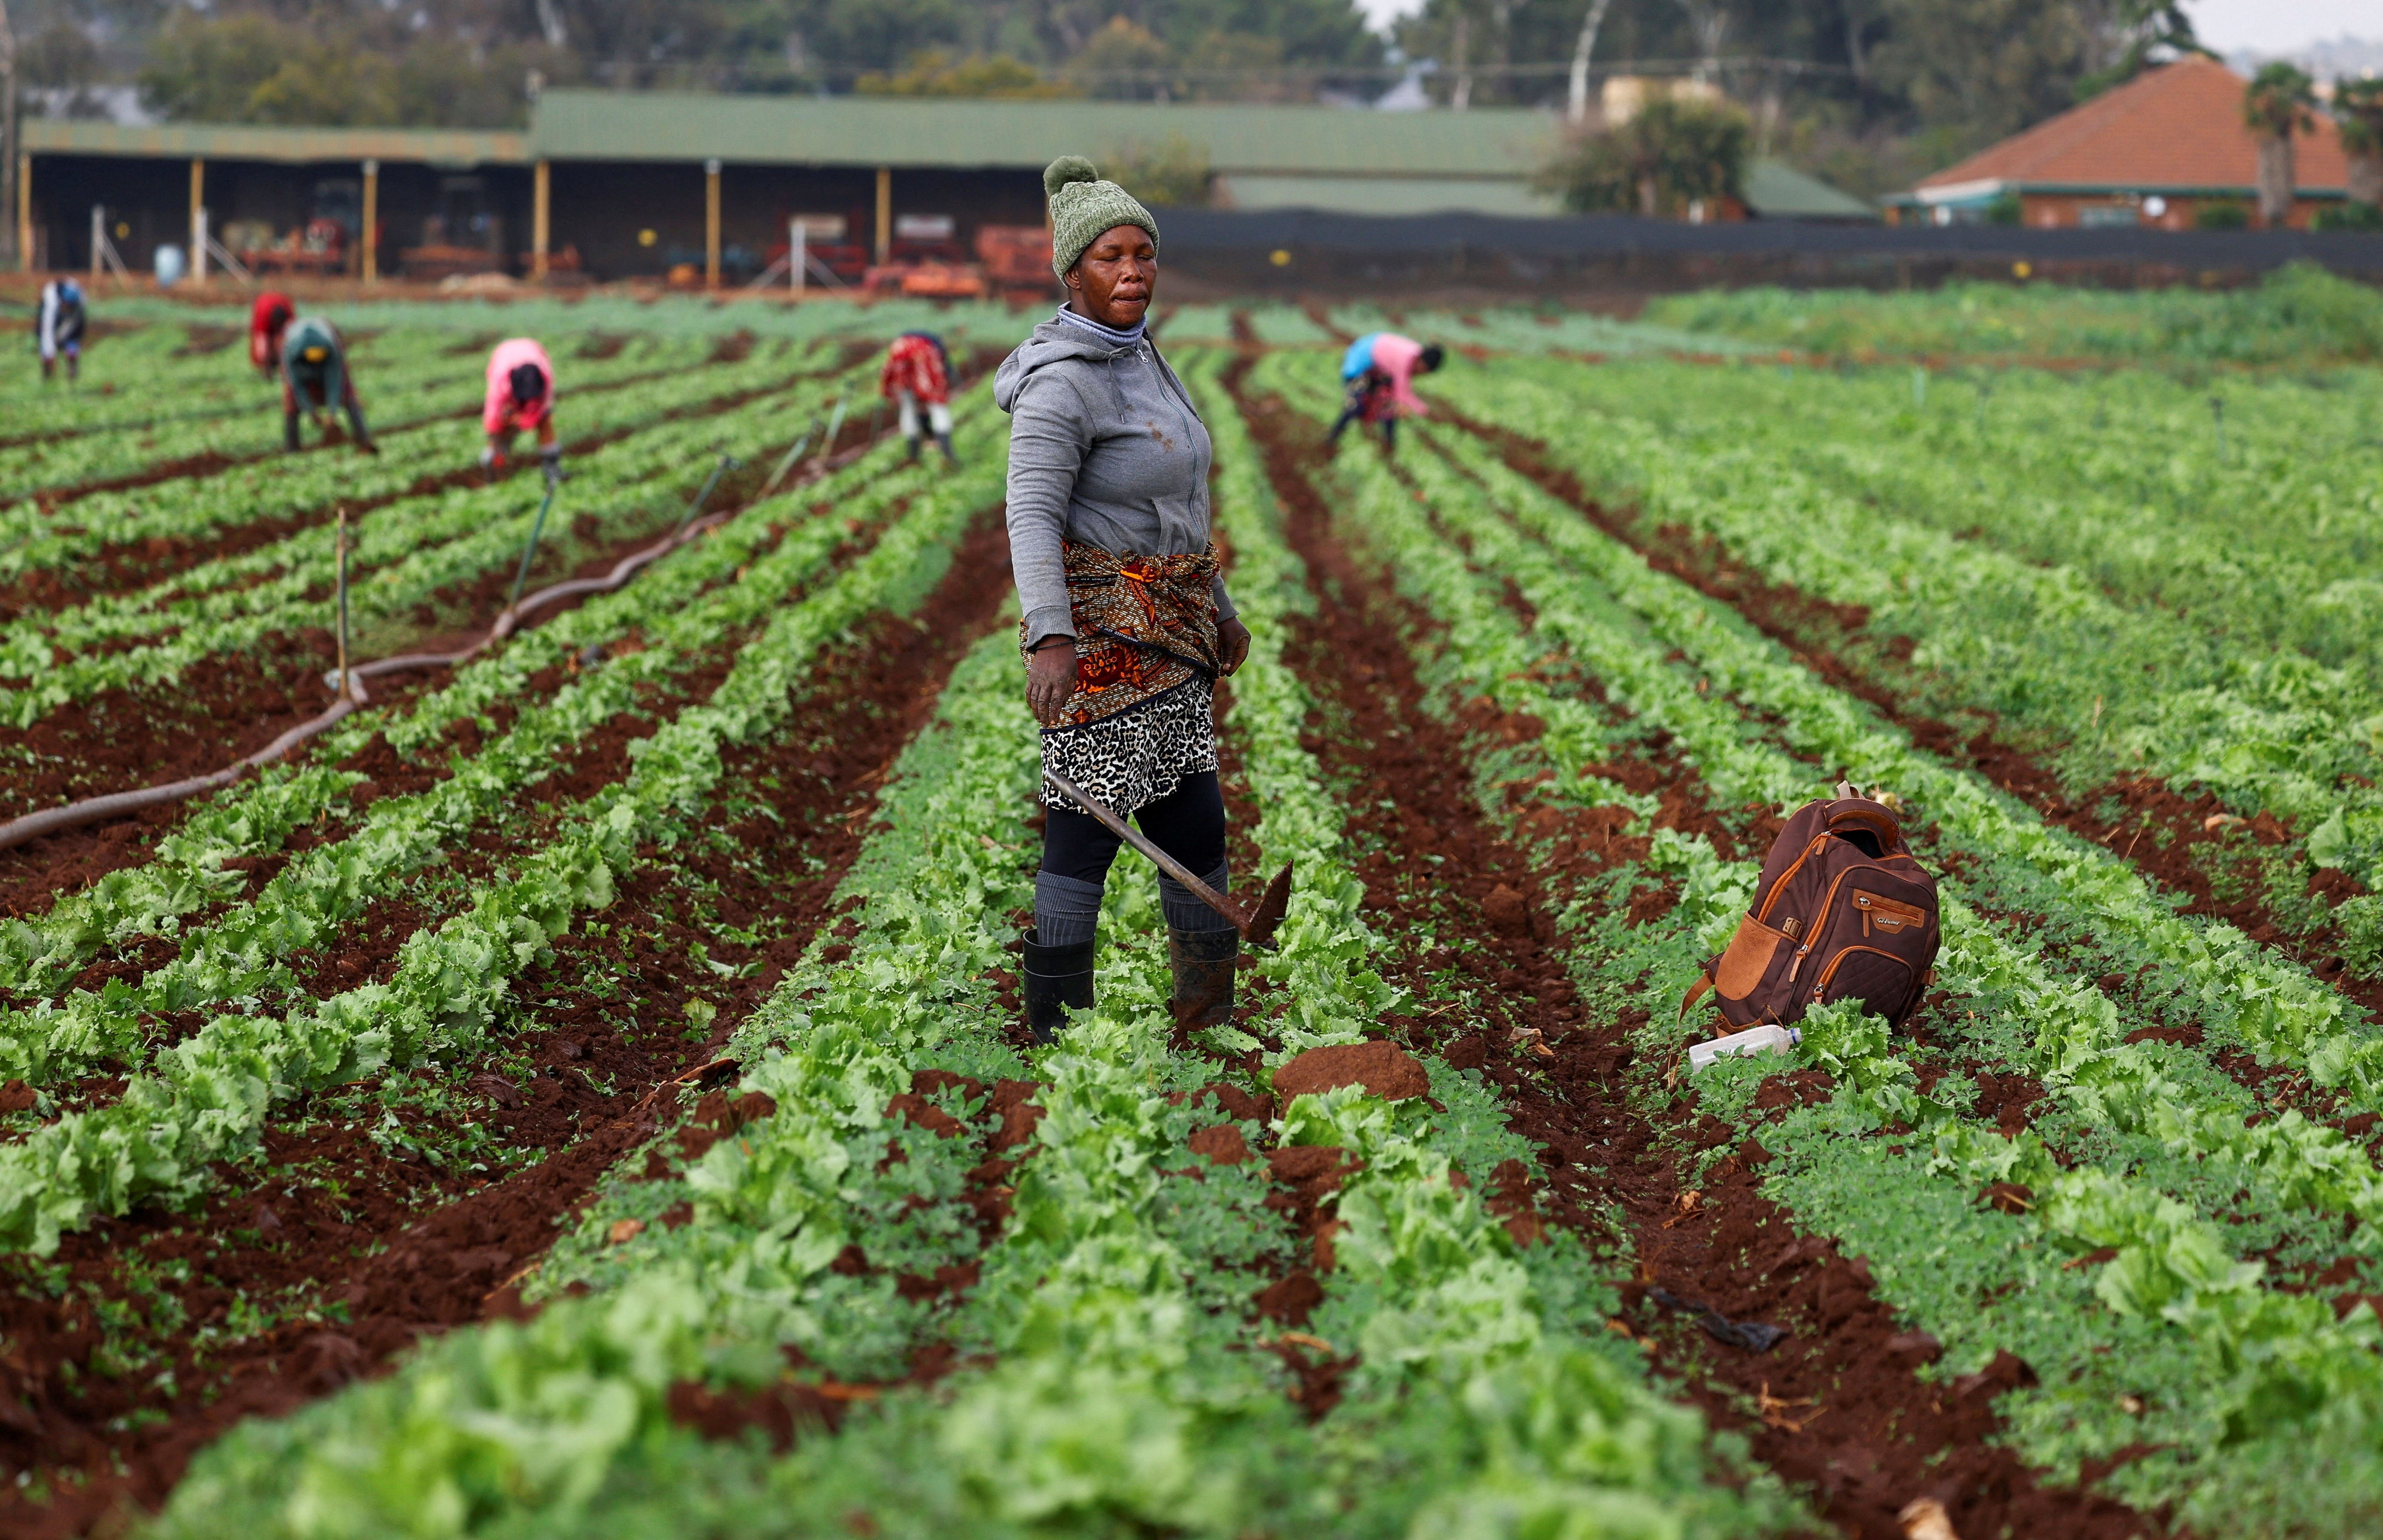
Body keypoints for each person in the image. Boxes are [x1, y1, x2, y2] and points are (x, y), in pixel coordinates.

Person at [997, 155, 1253, 1046]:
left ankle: (1206, 1017)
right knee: (1085, 830)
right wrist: (1049, 635)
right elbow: (1028, 513)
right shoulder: (1060, 383)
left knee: (1193, 816)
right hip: (1103, 638)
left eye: (1144, 254)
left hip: (1173, 634)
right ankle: (1057, 1027)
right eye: (1111, 256)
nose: (1133, 272)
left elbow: (1175, 502)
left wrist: (1215, 602)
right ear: (1073, 272)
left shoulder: (1145, 359)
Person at [1328, 331, 1446, 453]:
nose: (1421, 374)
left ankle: (1389, 447)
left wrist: (1423, 411)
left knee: (1388, 409)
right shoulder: (1405, 360)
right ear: (1421, 361)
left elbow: (1401, 391)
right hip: (1358, 365)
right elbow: (1401, 393)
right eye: (1423, 370)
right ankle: (1329, 442)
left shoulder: (1416, 355)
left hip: (1376, 369)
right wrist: (1424, 411)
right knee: (1356, 407)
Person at [280, 315, 375, 452]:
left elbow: (335, 381)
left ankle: (365, 442)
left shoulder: (331, 347)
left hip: (328, 363)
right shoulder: (291, 352)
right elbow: (297, 386)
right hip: (301, 370)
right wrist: (311, 411)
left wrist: (332, 413)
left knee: (350, 397)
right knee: (291, 404)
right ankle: (292, 450)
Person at [481, 337, 562, 486]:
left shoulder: (544, 377)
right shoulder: (500, 383)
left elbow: (543, 407)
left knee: (545, 421)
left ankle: (552, 468)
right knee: (501, 426)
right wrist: (499, 434)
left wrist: (523, 421)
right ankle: (492, 463)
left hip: (534, 350)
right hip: (503, 355)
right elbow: (492, 417)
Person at [880, 330, 957, 465]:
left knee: (908, 407)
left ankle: (914, 456)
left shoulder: (902, 344)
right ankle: (948, 454)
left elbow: (888, 372)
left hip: (900, 353)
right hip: (923, 359)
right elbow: (943, 371)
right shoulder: (933, 347)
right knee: (937, 406)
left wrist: (887, 390)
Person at [37, 279, 86, 384]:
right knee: (47, 351)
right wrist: (50, 351)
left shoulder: (80, 302)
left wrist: (64, 339)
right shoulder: (51, 302)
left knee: (72, 347)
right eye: (66, 306)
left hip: (71, 325)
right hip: (52, 322)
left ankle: (72, 373)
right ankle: (48, 376)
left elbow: (77, 325)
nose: (67, 308)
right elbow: (47, 329)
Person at [249, 291, 295, 376]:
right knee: (261, 353)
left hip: (281, 310)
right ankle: (268, 369)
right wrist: (267, 369)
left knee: (284, 345)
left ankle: (282, 367)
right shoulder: (263, 316)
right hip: (263, 309)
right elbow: (262, 347)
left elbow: (291, 340)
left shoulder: (289, 314)